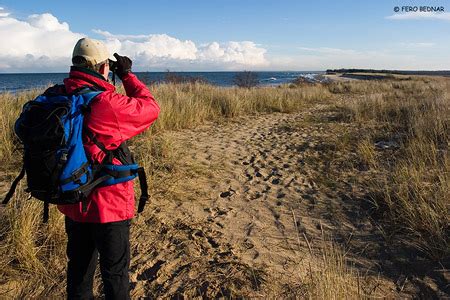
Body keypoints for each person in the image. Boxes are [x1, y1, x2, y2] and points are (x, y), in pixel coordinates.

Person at [58, 38, 160, 299]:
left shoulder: (58, 96)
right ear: (104, 68)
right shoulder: (106, 104)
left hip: (73, 201)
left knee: (79, 271)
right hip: (109, 207)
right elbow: (150, 108)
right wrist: (126, 75)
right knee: (114, 274)